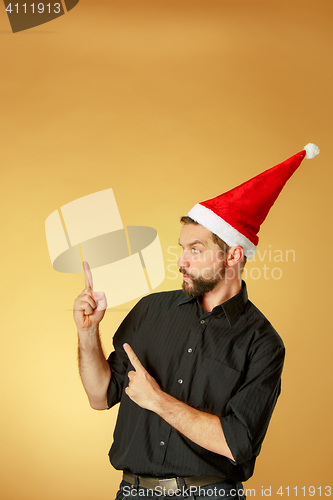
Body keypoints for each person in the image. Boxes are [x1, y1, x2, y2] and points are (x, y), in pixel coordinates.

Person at [73, 144, 319, 500]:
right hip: (133, 492)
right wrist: (87, 333)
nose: (182, 261)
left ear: (233, 255)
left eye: (196, 249)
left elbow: (237, 443)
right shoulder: (150, 311)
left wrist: (157, 400)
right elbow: (99, 396)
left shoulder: (263, 343)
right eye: (182, 248)